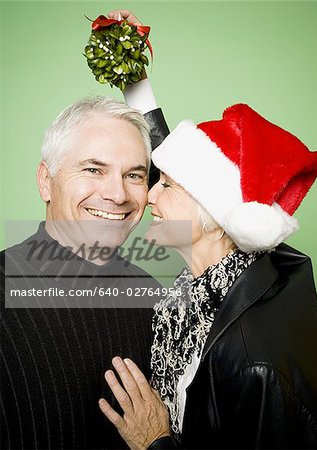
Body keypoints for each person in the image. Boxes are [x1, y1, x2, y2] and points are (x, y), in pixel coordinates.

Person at [99, 104, 317, 449]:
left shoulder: (254, 362)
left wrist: (155, 441)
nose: (149, 195)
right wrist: (137, 85)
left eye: (165, 185)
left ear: (213, 213)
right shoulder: (220, 285)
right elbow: (203, 177)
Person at [0, 77, 169, 449]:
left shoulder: (153, 297)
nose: (117, 194)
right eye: (93, 169)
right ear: (46, 181)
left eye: (134, 175)